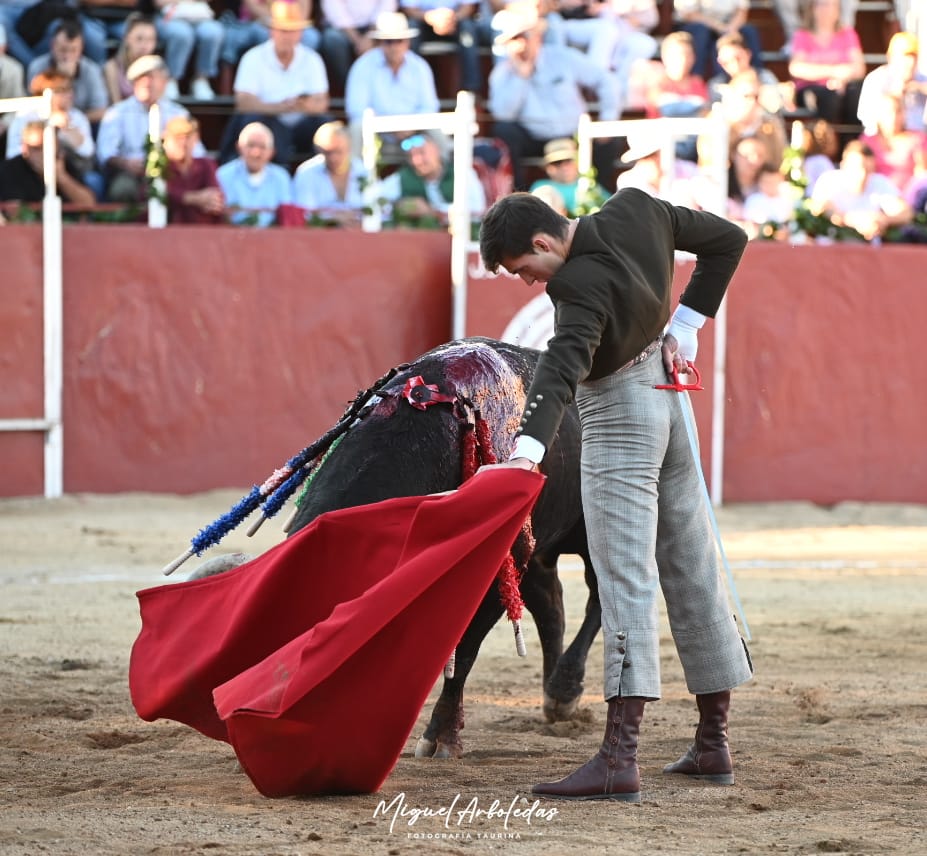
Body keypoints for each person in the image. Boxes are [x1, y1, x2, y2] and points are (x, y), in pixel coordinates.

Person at [476, 188, 753, 802]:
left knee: (624, 573)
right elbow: (729, 239)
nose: (527, 284)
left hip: (621, 419)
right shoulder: (637, 208)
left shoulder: (574, 286)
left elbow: (562, 363)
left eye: (524, 270)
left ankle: (619, 757)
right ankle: (713, 742)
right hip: (669, 397)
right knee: (692, 561)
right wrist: (688, 320)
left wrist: (525, 452)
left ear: (544, 244)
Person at [487, 0, 620, 190]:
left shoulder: (562, 57)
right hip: (535, 138)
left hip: (574, 134)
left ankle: (601, 198)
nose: (521, 44)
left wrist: (608, 119)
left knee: (610, 139)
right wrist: (521, 78)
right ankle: (518, 196)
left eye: (524, 36)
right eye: (515, 39)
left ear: (537, 37)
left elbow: (606, 80)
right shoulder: (502, 73)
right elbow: (503, 115)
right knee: (504, 132)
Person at [219, 0, 331, 165]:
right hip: (268, 122)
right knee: (253, 120)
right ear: (271, 31)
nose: (287, 36)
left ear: (300, 33)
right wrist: (277, 108)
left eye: (292, 31)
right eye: (282, 30)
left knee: (325, 125)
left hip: (301, 124)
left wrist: (301, 105)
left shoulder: (312, 59)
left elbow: (322, 102)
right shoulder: (253, 57)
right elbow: (243, 102)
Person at [96, 53, 194, 201]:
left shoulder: (178, 113)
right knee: (123, 189)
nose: (147, 83)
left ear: (165, 82)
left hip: (171, 172)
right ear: (133, 83)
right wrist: (126, 163)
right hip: (130, 174)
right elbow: (106, 152)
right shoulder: (117, 112)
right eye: (141, 78)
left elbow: (196, 151)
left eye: (153, 77)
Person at [343, 11, 439, 156]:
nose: (394, 46)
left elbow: (429, 107)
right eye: (388, 41)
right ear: (379, 43)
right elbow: (356, 110)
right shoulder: (363, 66)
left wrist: (409, 126)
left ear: (407, 42)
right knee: (357, 128)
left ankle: (445, 177)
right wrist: (388, 127)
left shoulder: (419, 67)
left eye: (399, 40)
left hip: (414, 134)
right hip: (375, 133)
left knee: (436, 132)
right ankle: (357, 176)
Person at [5, 69, 103, 198]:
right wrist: (38, 155)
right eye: (61, 90)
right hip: (29, 170)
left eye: (69, 89)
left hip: (69, 171)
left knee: (93, 180)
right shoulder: (25, 116)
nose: (69, 95)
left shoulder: (78, 117)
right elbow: (12, 153)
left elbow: (87, 151)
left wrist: (66, 128)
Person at [373, 128, 485, 224]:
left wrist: (431, 211)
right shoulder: (403, 177)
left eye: (422, 153)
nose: (416, 161)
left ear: (437, 149)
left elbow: (476, 209)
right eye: (411, 155)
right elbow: (374, 199)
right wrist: (397, 206)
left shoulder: (461, 173)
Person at [810, 139, 913, 240]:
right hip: (830, 248)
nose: (863, 175)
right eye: (858, 168)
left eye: (868, 170)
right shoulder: (829, 180)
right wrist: (854, 221)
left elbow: (905, 213)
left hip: (869, 252)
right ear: (843, 165)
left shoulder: (880, 182)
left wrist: (883, 220)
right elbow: (820, 208)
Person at [787, 0, 865, 127]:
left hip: (843, 86)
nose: (827, 10)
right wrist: (833, 74)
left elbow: (859, 68)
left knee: (856, 94)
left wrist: (841, 79)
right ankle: (825, 142)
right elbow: (796, 67)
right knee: (829, 98)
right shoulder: (803, 35)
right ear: (812, 8)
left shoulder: (847, 34)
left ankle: (849, 142)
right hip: (812, 89)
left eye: (832, 5)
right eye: (822, 4)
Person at [26, 18, 108, 122]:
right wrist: (59, 77)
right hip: (42, 122)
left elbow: (101, 110)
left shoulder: (92, 70)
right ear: (52, 45)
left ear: (81, 48)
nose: (67, 56)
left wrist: (72, 120)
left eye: (73, 50)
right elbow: (31, 105)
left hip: (81, 127)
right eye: (63, 50)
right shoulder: (37, 67)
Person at [0, 119, 96, 204]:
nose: (43, 153)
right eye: (36, 148)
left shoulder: (65, 164)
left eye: (48, 146)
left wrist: (61, 178)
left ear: (57, 145)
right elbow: (13, 212)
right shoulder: (10, 169)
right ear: (24, 147)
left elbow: (88, 203)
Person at [217, 120, 293, 226]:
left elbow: (286, 217)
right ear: (239, 147)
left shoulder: (282, 177)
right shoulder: (222, 175)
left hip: (272, 239)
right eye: (250, 145)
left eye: (262, 147)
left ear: (272, 152)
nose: (256, 153)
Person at [291, 119, 367, 223]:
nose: (333, 158)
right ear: (318, 151)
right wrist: (335, 220)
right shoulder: (306, 173)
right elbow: (304, 213)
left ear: (349, 148)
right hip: (319, 236)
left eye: (339, 151)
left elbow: (375, 209)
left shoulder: (364, 171)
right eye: (328, 153)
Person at [399, 0, 481, 94]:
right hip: (423, 22)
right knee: (411, 30)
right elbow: (409, 9)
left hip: (455, 22)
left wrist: (452, 19)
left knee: (467, 30)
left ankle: (470, 92)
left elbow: (468, 7)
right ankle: (409, 87)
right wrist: (429, 17)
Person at [857, 30, 927, 136]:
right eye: (905, 56)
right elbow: (866, 118)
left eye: (914, 57)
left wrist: (921, 88)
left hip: (918, 141)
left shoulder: (922, 79)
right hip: (883, 140)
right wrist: (896, 95)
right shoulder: (876, 79)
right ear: (891, 57)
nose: (910, 62)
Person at [318, 0, 397, 93]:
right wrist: (357, 40)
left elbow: (387, 5)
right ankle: (347, 90)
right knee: (332, 39)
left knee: (394, 39)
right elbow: (333, 8)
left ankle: (384, 90)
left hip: (377, 26)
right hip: (343, 29)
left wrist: (370, 36)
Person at [150, 0, 224, 100]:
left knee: (213, 32)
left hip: (200, 17)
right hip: (170, 17)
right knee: (182, 34)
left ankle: (201, 80)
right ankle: (171, 80)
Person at [673, 0, 764, 80]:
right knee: (701, 32)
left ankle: (757, 75)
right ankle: (697, 77)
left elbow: (742, 12)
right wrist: (719, 27)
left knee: (749, 31)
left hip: (728, 25)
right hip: (698, 25)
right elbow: (690, 14)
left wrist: (730, 29)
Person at [161, 114, 224, 223]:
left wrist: (183, 199)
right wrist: (194, 199)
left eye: (187, 137)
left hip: (203, 232)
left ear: (196, 138)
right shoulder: (159, 166)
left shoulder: (206, 164)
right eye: (177, 137)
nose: (183, 143)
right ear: (165, 140)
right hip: (168, 232)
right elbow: (160, 195)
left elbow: (215, 199)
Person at [859, 91, 927, 190]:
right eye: (888, 112)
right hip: (876, 196)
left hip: (909, 198)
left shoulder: (918, 139)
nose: (894, 117)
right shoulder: (867, 141)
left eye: (898, 111)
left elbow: (921, 175)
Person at [528, 137, 608, 215]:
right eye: (557, 162)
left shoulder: (589, 184)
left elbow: (609, 209)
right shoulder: (541, 186)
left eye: (568, 161)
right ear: (548, 168)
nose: (564, 167)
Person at [707, 31, 783, 114]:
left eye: (738, 58)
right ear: (719, 61)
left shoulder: (765, 77)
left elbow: (776, 106)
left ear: (748, 54)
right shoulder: (715, 85)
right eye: (726, 61)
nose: (734, 64)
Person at [102, 12, 158, 104]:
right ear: (126, 38)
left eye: (150, 39)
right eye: (139, 39)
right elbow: (116, 107)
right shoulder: (112, 68)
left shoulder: (158, 70)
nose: (145, 45)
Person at [0, 22, 27, 140]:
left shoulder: (14, 70)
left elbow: (19, 104)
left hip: (5, 130)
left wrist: (4, 124)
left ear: (4, 48)